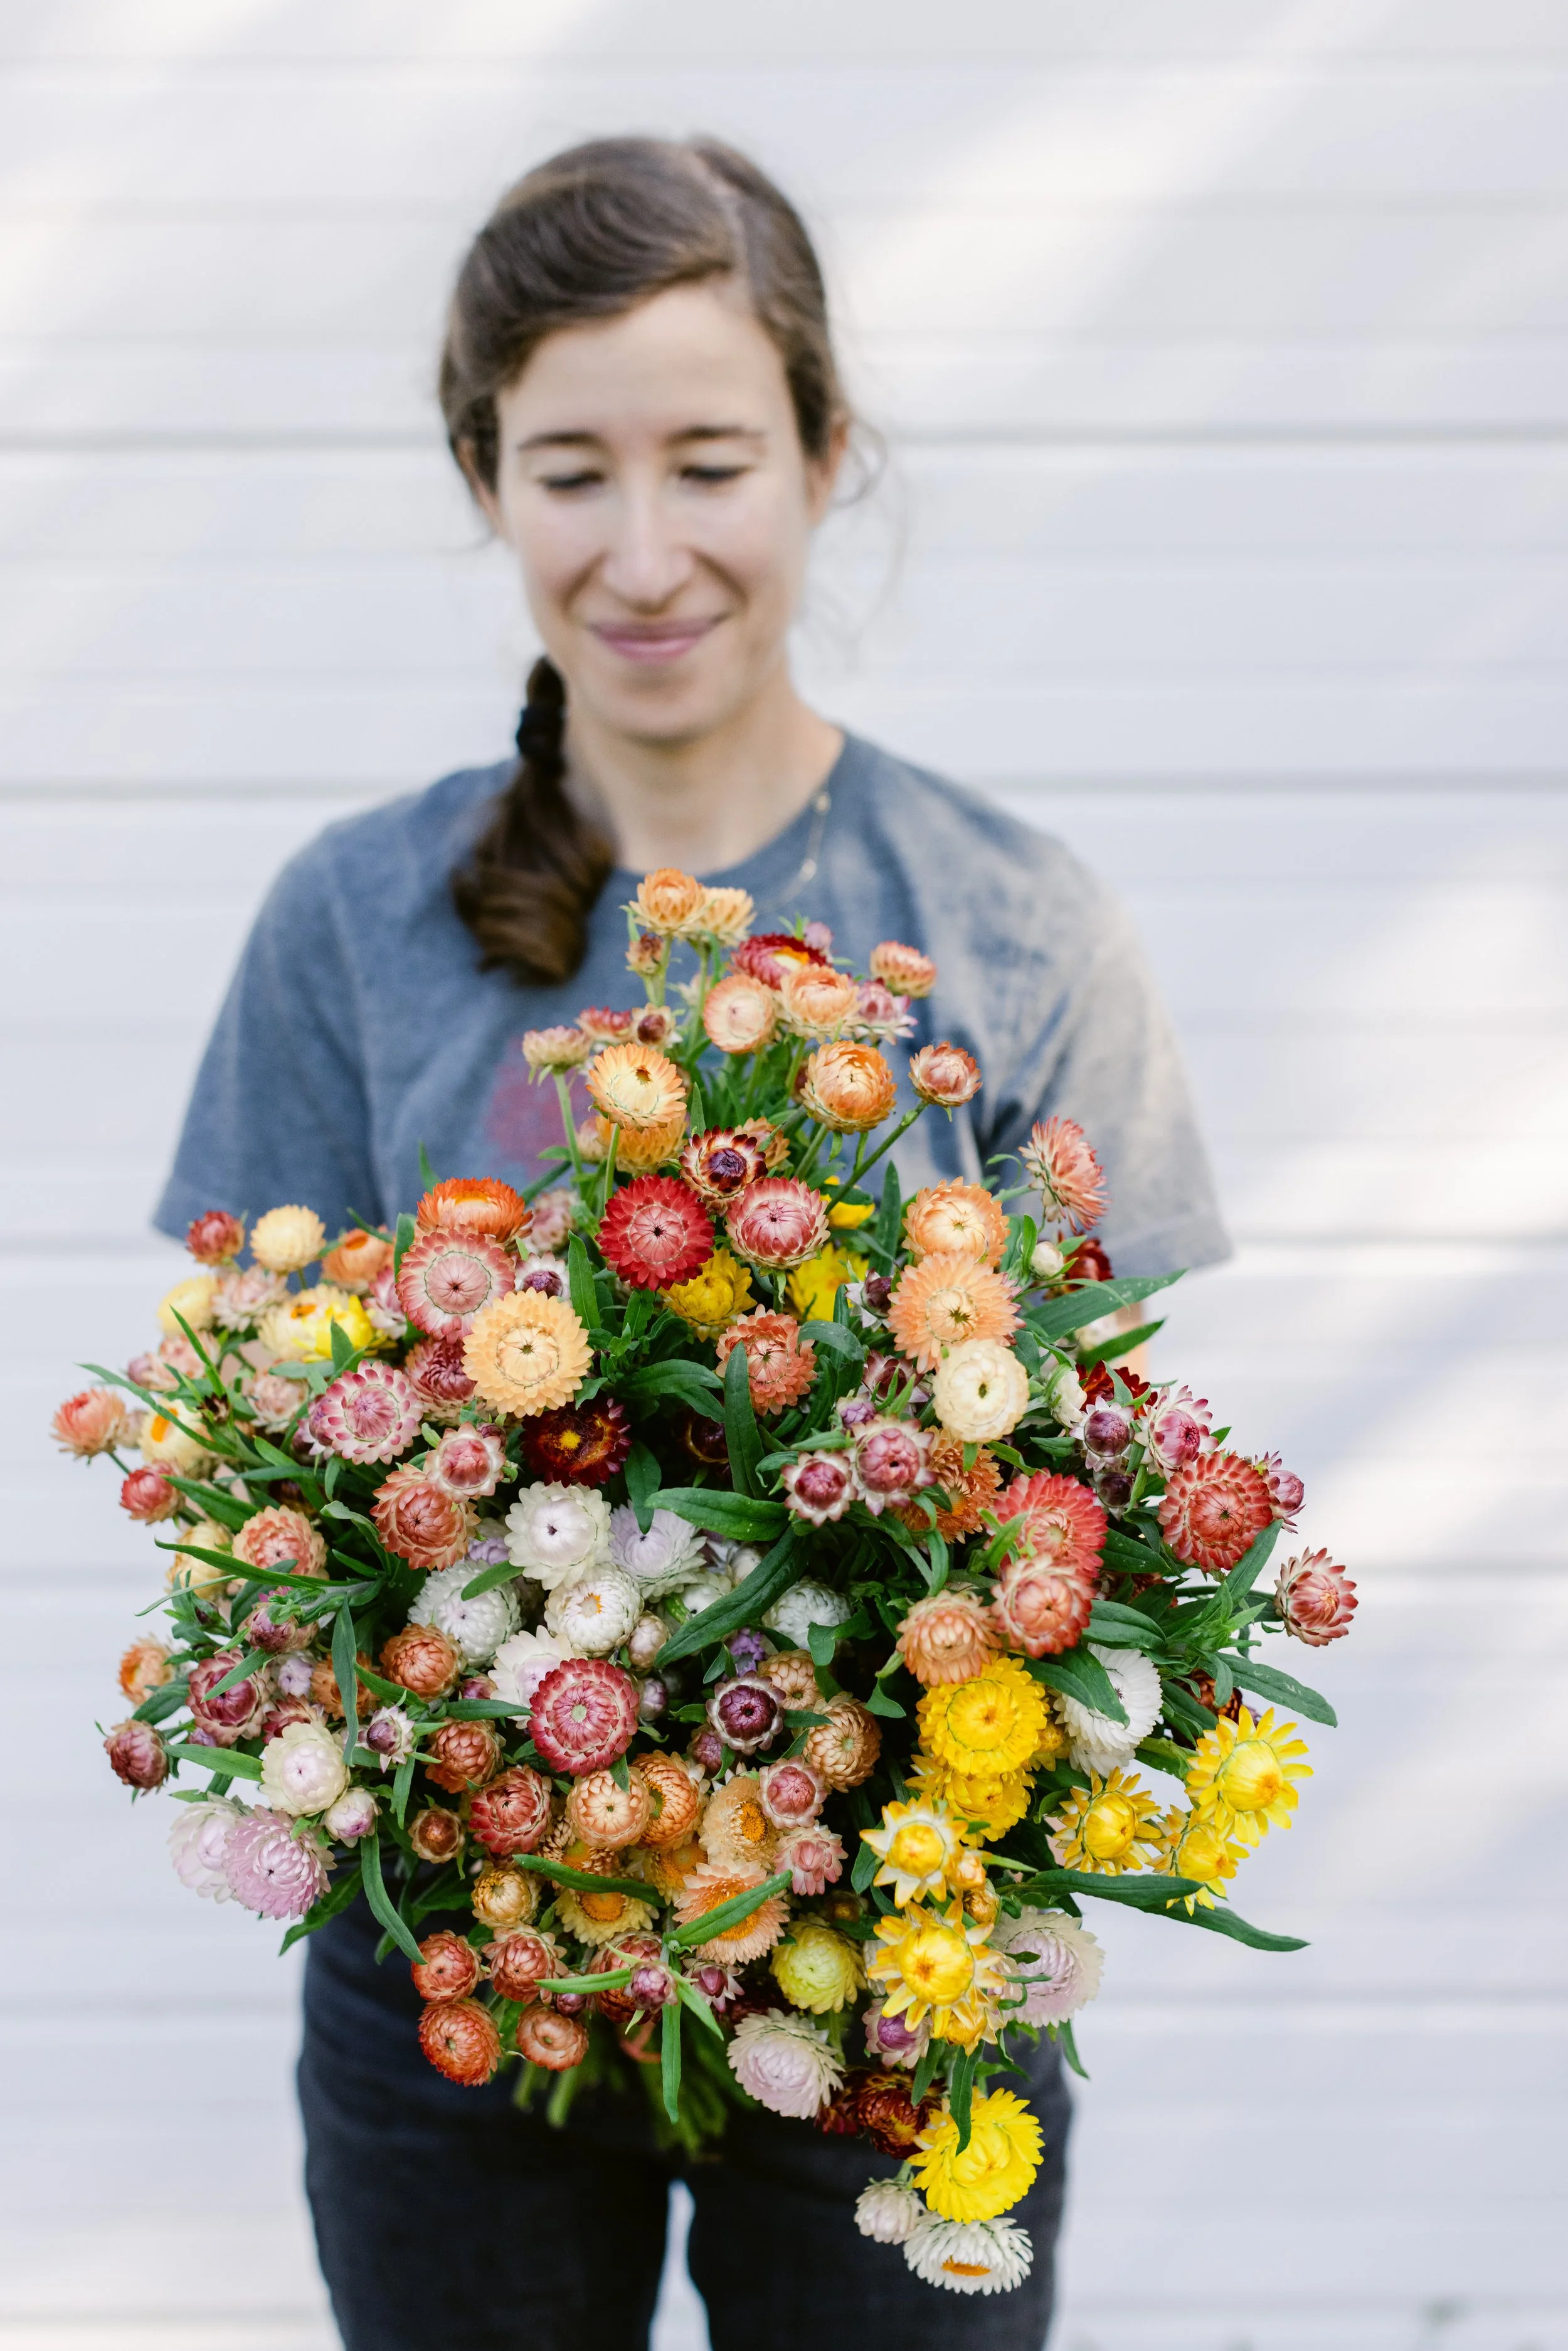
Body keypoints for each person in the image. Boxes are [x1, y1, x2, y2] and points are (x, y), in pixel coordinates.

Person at [156, 137, 1229, 2351]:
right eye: (569, 470)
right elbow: (252, 1472)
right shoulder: (352, 923)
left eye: (710, 460)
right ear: (486, 481)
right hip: (455, 1973)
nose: (644, 553)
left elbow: (1103, 1480)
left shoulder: (1016, 928)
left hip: (897, 1979)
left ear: (826, 458)